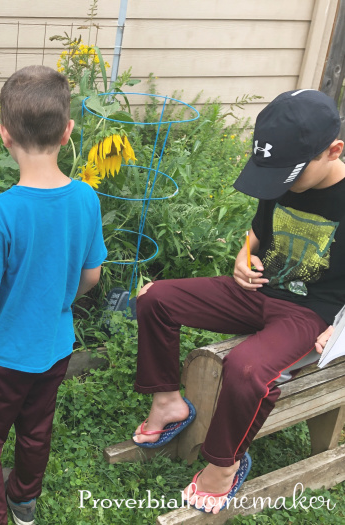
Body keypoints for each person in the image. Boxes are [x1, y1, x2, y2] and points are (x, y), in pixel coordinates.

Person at [131, 89, 345, 513]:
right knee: (155, 298)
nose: (275, 184)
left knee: (246, 369)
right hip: (253, 291)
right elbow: (257, 233)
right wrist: (242, 257)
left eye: (287, 175)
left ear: (333, 151)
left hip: (309, 313)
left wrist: (338, 327)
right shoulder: (279, 174)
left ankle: (223, 465)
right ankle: (168, 403)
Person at [0, 65, 107, 525]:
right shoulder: (86, 200)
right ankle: (23, 502)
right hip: (56, 346)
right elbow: (92, 276)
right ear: (68, 132)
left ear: (3, 134)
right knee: (36, 431)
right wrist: (59, 302)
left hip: (1, 356)